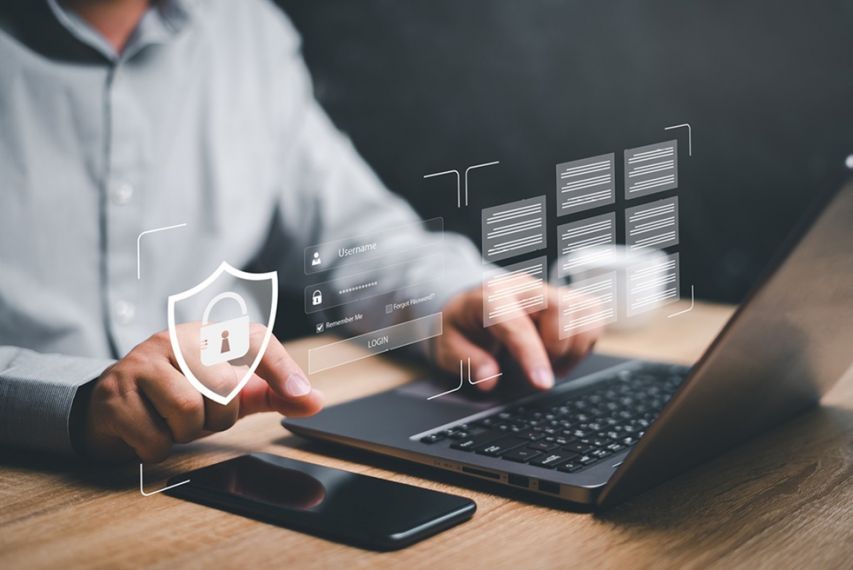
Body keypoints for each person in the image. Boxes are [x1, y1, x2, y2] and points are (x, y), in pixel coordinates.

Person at [0, 0, 600, 463]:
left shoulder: (244, 29)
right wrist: (72, 399)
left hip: (213, 463)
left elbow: (354, 233)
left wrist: (452, 297)